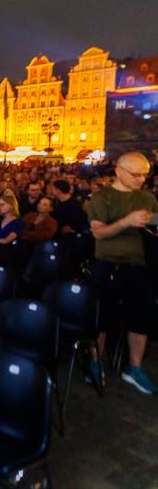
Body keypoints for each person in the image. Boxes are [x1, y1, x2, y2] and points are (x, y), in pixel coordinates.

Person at [87, 151, 158, 394]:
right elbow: (98, 232)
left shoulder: (147, 198)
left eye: (145, 175)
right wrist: (126, 222)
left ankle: (134, 367)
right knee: (102, 317)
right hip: (107, 263)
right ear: (118, 171)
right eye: (136, 174)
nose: (141, 180)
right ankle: (95, 361)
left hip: (137, 265)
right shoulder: (102, 198)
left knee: (141, 315)